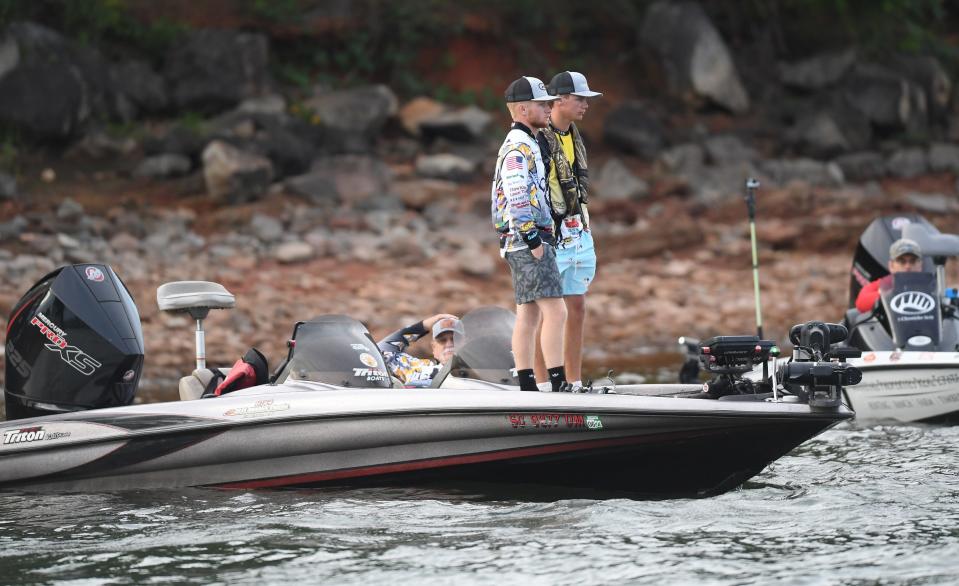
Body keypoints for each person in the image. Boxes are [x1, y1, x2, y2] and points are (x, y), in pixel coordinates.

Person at [491, 76, 569, 393]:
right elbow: (516, 191)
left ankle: (527, 385)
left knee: (529, 313)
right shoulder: (518, 146)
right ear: (524, 109)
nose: (549, 108)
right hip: (527, 238)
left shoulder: (528, 142)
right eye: (542, 104)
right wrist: (533, 238)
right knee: (556, 310)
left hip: (520, 239)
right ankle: (559, 382)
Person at [533, 71, 602, 392]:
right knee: (545, 310)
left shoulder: (573, 135)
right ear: (559, 100)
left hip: (577, 230)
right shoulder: (537, 138)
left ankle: (573, 381)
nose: (585, 104)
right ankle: (541, 382)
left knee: (577, 306)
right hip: (550, 234)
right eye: (579, 98)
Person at [377, 314, 464, 387]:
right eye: (442, 340)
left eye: (455, 338)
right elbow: (379, 351)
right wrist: (422, 326)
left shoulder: (476, 368)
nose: (449, 344)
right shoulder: (419, 369)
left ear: (464, 344)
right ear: (434, 348)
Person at [855, 238, 923, 313]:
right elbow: (861, 303)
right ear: (891, 266)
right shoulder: (881, 285)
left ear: (920, 265)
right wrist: (890, 294)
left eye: (912, 261)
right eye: (901, 261)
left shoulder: (931, 284)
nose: (908, 266)